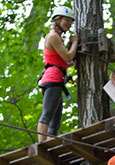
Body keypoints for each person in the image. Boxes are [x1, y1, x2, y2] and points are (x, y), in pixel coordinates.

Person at [36, 5, 78, 143]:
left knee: (56, 118)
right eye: (66, 21)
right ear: (57, 19)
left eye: (70, 22)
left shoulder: (57, 38)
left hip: (57, 79)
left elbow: (65, 61)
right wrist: (75, 43)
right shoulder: (53, 36)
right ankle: (42, 144)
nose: (69, 24)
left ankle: (50, 143)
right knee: (48, 115)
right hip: (53, 78)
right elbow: (67, 57)